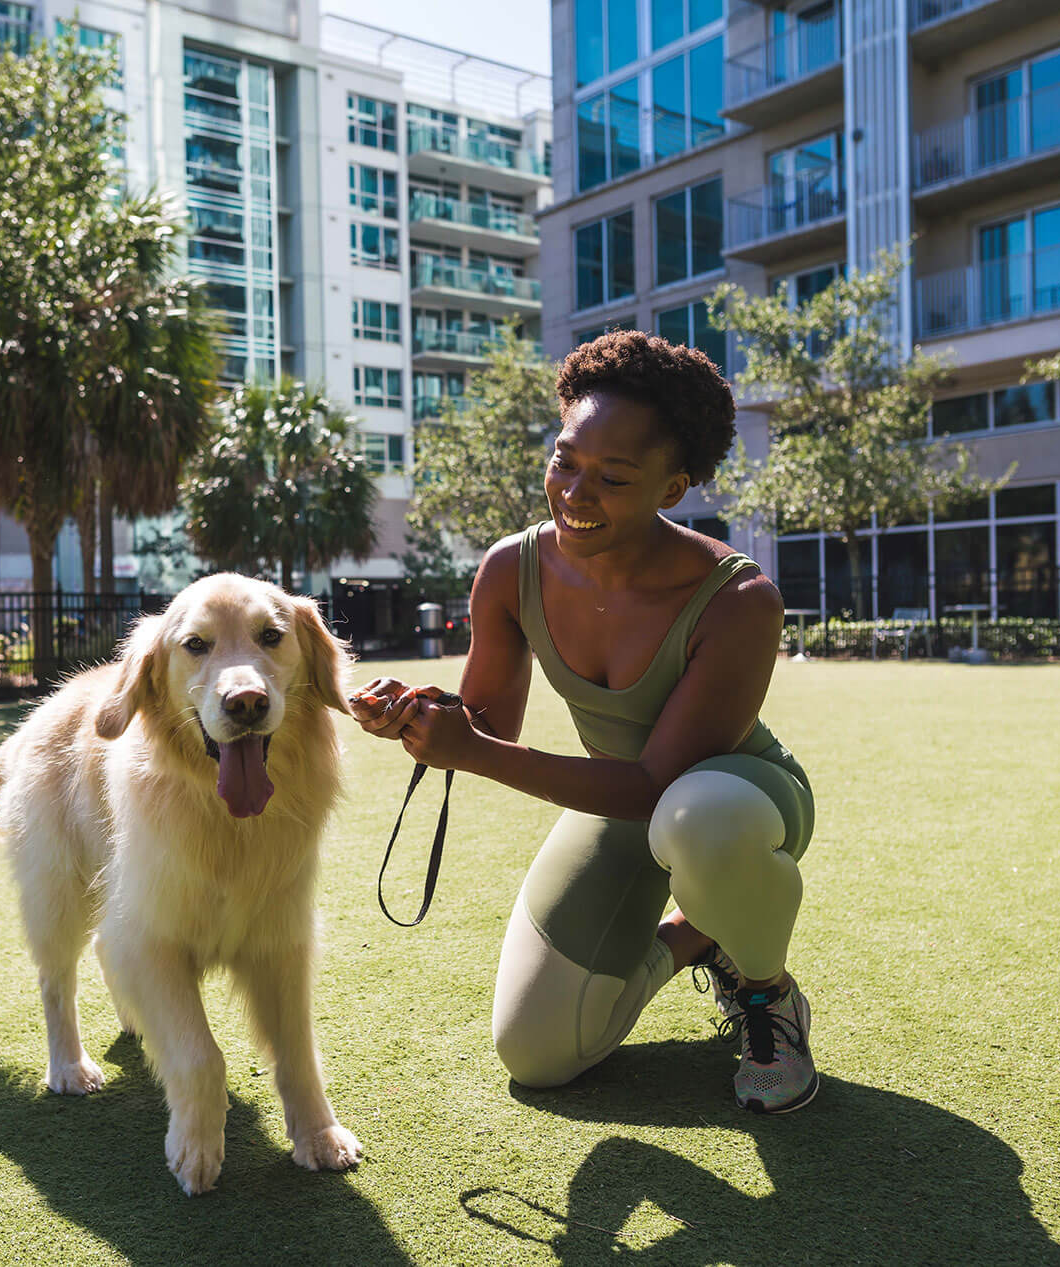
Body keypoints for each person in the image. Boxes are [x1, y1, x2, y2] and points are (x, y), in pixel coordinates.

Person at [350, 331, 818, 1114]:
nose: (575, 492)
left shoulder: (740, 601)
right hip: (621, 806)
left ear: (672, 487)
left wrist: (475, 750)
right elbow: (490, 720)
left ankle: (768, 995)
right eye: (566, 461)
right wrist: (423, 710)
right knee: (534, 1053)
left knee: (695, 818)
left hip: (737, 803)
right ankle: (699, 935)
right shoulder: (511, 567)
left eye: (613, 477)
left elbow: (652, 784)